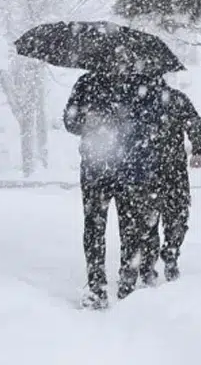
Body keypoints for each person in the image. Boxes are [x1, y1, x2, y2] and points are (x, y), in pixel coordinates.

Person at [64, 70, 166, 309]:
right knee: (95, 227)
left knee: (127, 227)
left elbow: (156, 121)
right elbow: (70, 122)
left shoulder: (141, 84)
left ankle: (126, 284)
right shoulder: (87, 83)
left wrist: (127, 122)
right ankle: (98, 285)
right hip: (97, 168)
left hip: (127, 168)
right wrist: (88, 120)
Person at [140, 83, 201, 285]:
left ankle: (151, 262)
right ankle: (169, 254)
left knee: (148, 219)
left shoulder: (138, 99)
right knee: (175, 216)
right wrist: (198, 149)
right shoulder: (175, 98)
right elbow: (195, 123)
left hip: (147, 169)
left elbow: (194, 123)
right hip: (171, 169)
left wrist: (198, 148)